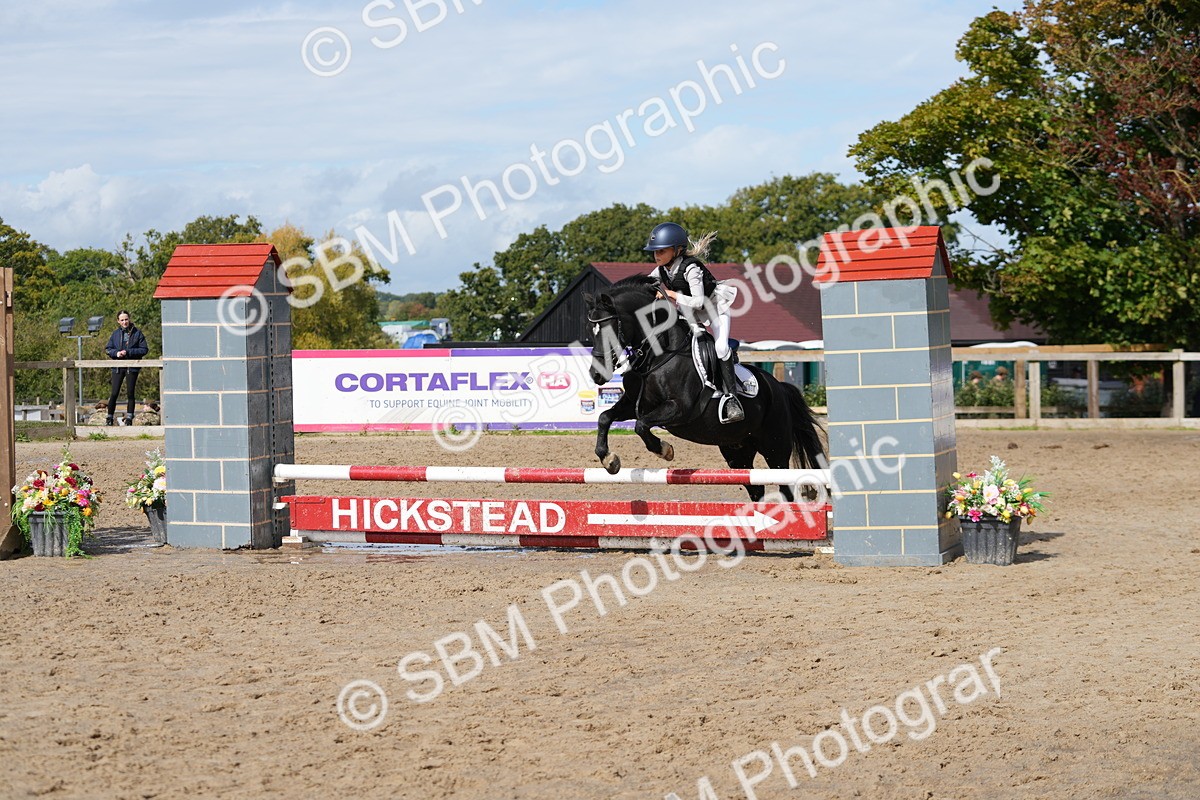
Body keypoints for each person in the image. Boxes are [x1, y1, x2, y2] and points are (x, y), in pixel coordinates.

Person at [644, 222, 744, 424]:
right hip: (690, 312)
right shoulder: (662, 269)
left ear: (677, 250)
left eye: (661, 251)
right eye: (655, 252)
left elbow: (699, 302)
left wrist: (670, 294)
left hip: (715, 309)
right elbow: (645, 283)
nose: (657, 255)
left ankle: (732, 399)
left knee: (721, 347)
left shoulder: (691, 268)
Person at [104, 311, 149, 426]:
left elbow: (144, 350)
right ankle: (109, 417)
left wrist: (128, 352)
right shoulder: (115, 334)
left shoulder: (137, 333)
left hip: (131, 367)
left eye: (126, 319)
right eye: (122, 320)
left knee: (130, 393)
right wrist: (116, 353)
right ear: (118, 321)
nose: (125, 322)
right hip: (118, 367)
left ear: (129, 319)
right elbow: (108, 349)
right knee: (114, 393)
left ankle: (129, 417)